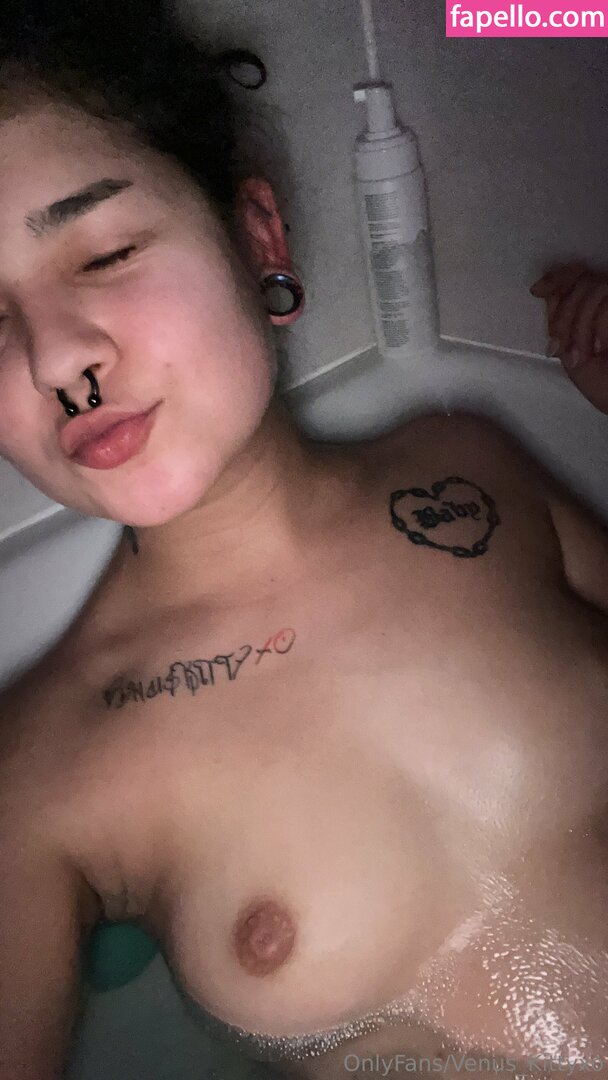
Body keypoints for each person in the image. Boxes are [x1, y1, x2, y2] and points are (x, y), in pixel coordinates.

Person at [0, 4, 607, 1079]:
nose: (57, 361)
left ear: (257, 241)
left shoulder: (475, 467)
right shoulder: (40, 774)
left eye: (105, 253)